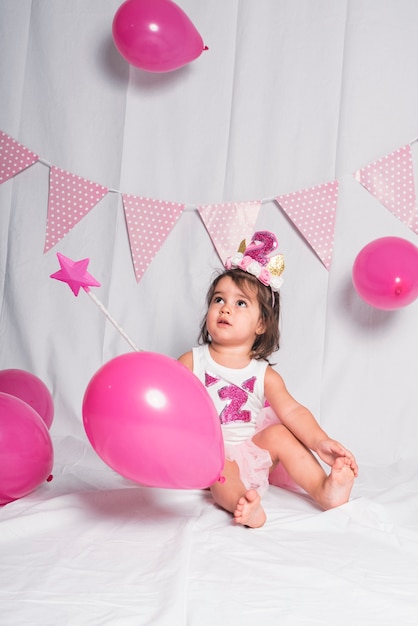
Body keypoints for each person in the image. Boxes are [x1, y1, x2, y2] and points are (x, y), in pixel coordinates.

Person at [178, 231, 358, 528]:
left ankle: (325, 491)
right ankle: (244, 503)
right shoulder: (193, 361)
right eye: (219, 299)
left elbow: (293, 411)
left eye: (240, 304)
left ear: (261, 323)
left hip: (251, 453)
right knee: (222, 466)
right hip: (207, 454)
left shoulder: (264, 374)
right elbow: (172, 406)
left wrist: (320, 441)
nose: (225, 308)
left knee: (281, 435)